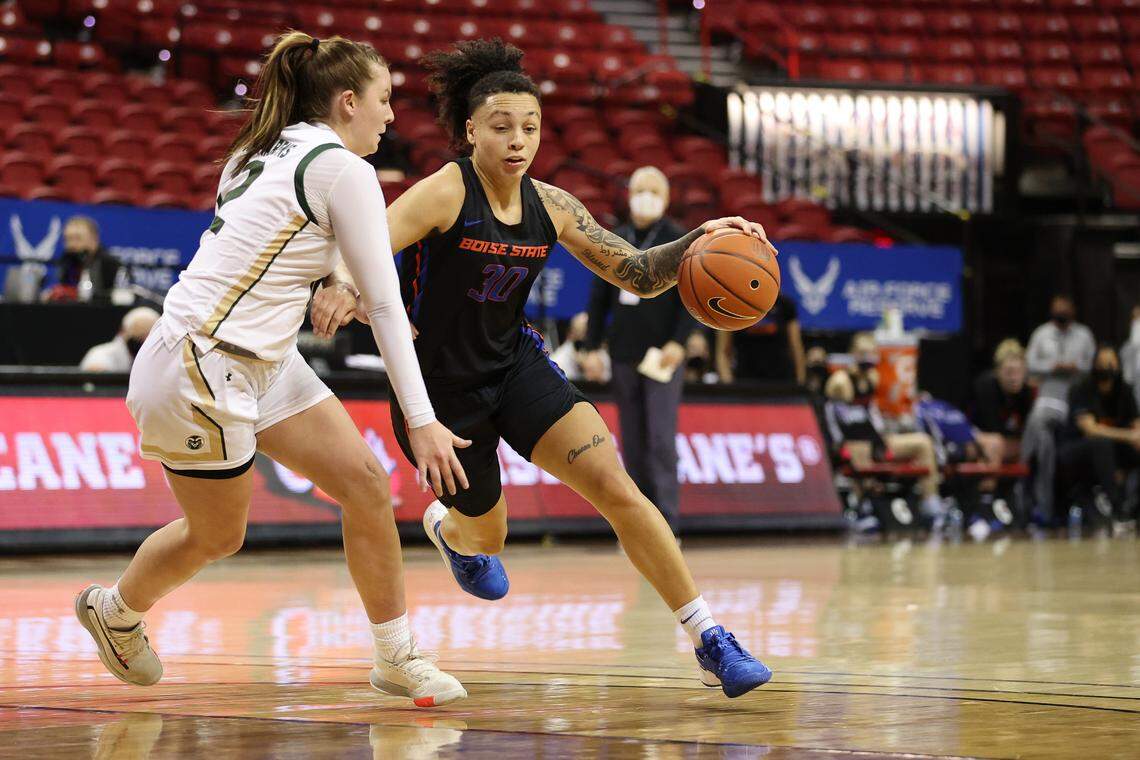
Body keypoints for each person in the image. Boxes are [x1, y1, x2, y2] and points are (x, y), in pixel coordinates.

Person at [315, 39, 776, 698]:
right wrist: (339, 283)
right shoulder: (446, 192)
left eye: (529, 128)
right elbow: (364, 243)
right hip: (442, 389)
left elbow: (639, 274)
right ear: (471, 129)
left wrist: (700, 240)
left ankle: (709, 637)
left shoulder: (553, 206)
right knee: (489, 531)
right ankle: (454, 533)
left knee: (618, 487)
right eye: (502, 127)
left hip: (516, 364)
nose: (518, 140)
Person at [73, 32, 470, 708]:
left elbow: (278, 249)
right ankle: (113, 610)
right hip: (201, 367)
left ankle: (395, 656)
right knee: (220, 536)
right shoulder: (345, 170)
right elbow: (381, 301)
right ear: (348, 102)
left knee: (368, 486)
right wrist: (424, 420)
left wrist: (323, 281)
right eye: (384, 99)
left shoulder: (257, 150)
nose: (392, 116)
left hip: (262, 357)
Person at [580, 165, 696, 534]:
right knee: (631, 441)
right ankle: (640, 526)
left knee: (661, 439)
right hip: (624, 352)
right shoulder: (616, 238)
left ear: (665, 198)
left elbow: (690, 298)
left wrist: (679, 342)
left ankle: (668, 524)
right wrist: (591, 345)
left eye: (653, 192)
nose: (645, 198)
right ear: (629, 196)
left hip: (662, 354)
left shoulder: (679, 241)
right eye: (639, 190)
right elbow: (599, 299)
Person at [1022, 295, 1096, 523]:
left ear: (1073, 310)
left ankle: (1025, 476)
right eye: (1057, 309)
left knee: (1039, 428)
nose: (1061, 313)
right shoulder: (1041, 334)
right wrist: (1052, 366)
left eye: (1065, 309)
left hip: (1075, 398)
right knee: (1043, 440)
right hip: (1048, 394)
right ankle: (1043, 505)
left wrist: (1075, 367)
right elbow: (1030, 365)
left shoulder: (1084, 335)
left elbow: (1093, 365)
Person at [1056, 345, 1140, 521]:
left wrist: (1135, 438)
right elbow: (1091, 430)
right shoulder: (1082, 387)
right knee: (1102, 444)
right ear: (1093, 365)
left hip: (1112, 449)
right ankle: (1118, 509)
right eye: (1101, 363)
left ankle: (1134, 507)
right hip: (1074, 449)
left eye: (1110, 363)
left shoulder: (1125, 390)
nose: (1106, 368)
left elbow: (1136, 426)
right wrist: (1128, 436)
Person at [714, 292, 805, 385]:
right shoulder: (732, 305)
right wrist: (729, 385)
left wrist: (800, 383)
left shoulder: (785, 304)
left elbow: (796, 348)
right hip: (744, 382)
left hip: (781, 382)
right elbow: (722, 352)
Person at [971, 339, 1035, 464]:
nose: (1014, 378)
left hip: (1010, 442)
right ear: (997, 371)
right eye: (1009, 372)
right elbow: (991, 429)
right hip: (978, 437)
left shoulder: (1026, 392)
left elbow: (1026, 432)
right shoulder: (985, 387)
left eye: (1019, 372)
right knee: (995, 444)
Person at [48, 215, 122, 303]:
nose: (72, 245)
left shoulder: (110, 264)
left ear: (94, 239)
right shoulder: (66, 260)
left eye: (77, 238)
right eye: (67, 239)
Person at [79, 306, 160, 372]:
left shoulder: (158, 356)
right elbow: (94, 370)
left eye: (149, 338)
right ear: (122, 332)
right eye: (140, 337)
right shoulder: (100, 354)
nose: (144, 342)